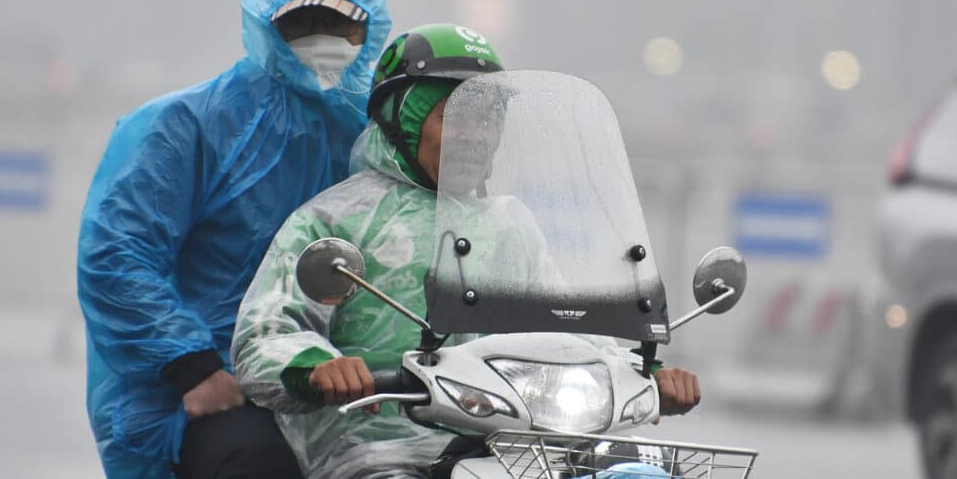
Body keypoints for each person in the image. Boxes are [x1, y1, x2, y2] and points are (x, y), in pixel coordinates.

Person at [231, 24, 702, 479]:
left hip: (511, 446)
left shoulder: (510, 224)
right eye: (454, 116)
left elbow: (564, 330)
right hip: (379, 447)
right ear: (403, 122)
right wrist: (318, 367)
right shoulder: (333, 220)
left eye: (487, 117)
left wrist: (640, 372)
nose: (476, 134)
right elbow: (266, 334)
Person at [76, 0, 391, 477]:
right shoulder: (187, 126)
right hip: (217, 393)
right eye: (303, 21)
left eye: (343, 23)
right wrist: (192, 367)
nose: (325, 37)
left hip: (353, 396)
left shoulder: (377, 134)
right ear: (266, 22)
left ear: (370, 28)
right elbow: (117, 255)